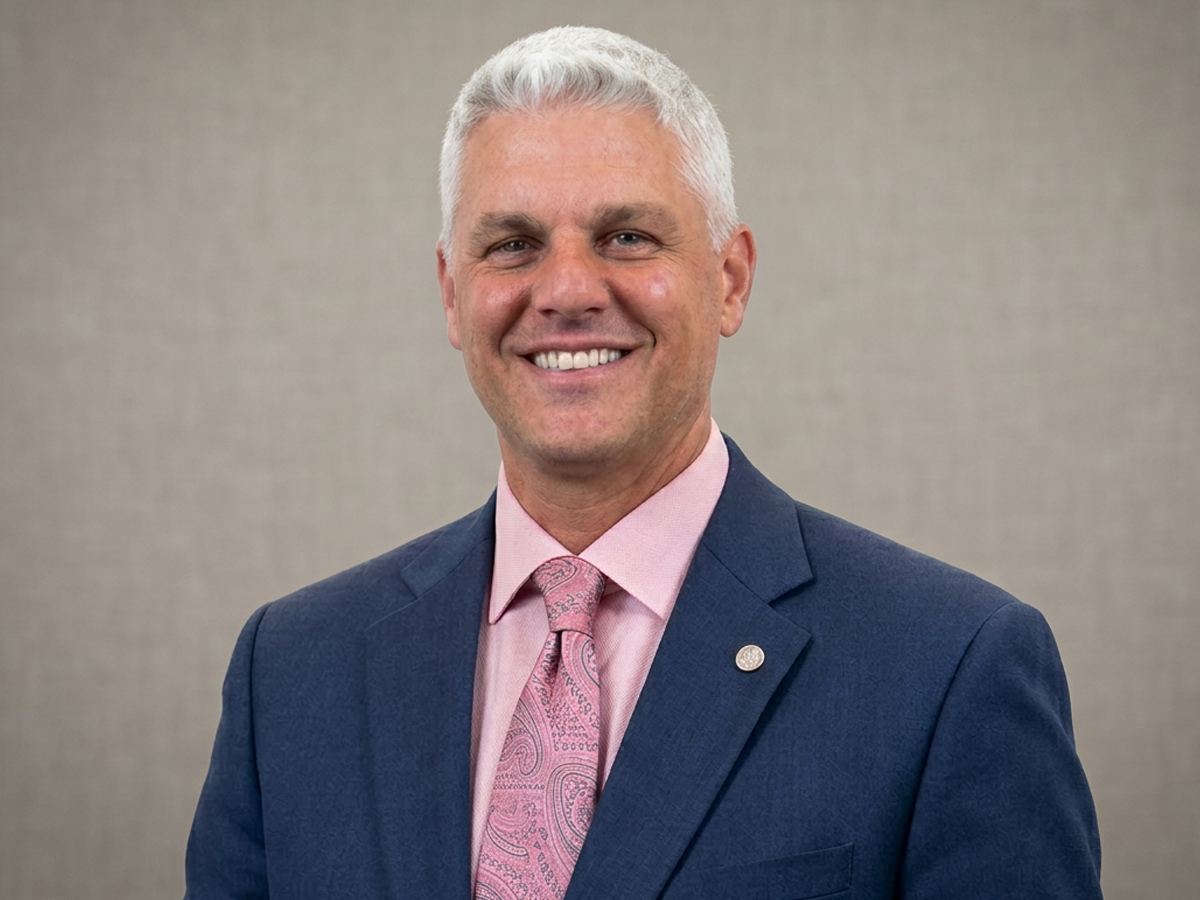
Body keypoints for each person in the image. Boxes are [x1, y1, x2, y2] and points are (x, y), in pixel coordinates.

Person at [185, 26, 1102, 900]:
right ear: (452, 294)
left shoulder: (949, 666)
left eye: (627, 236)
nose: (568, 291)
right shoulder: (292, 671)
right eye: (513, 245)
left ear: (730, 280)